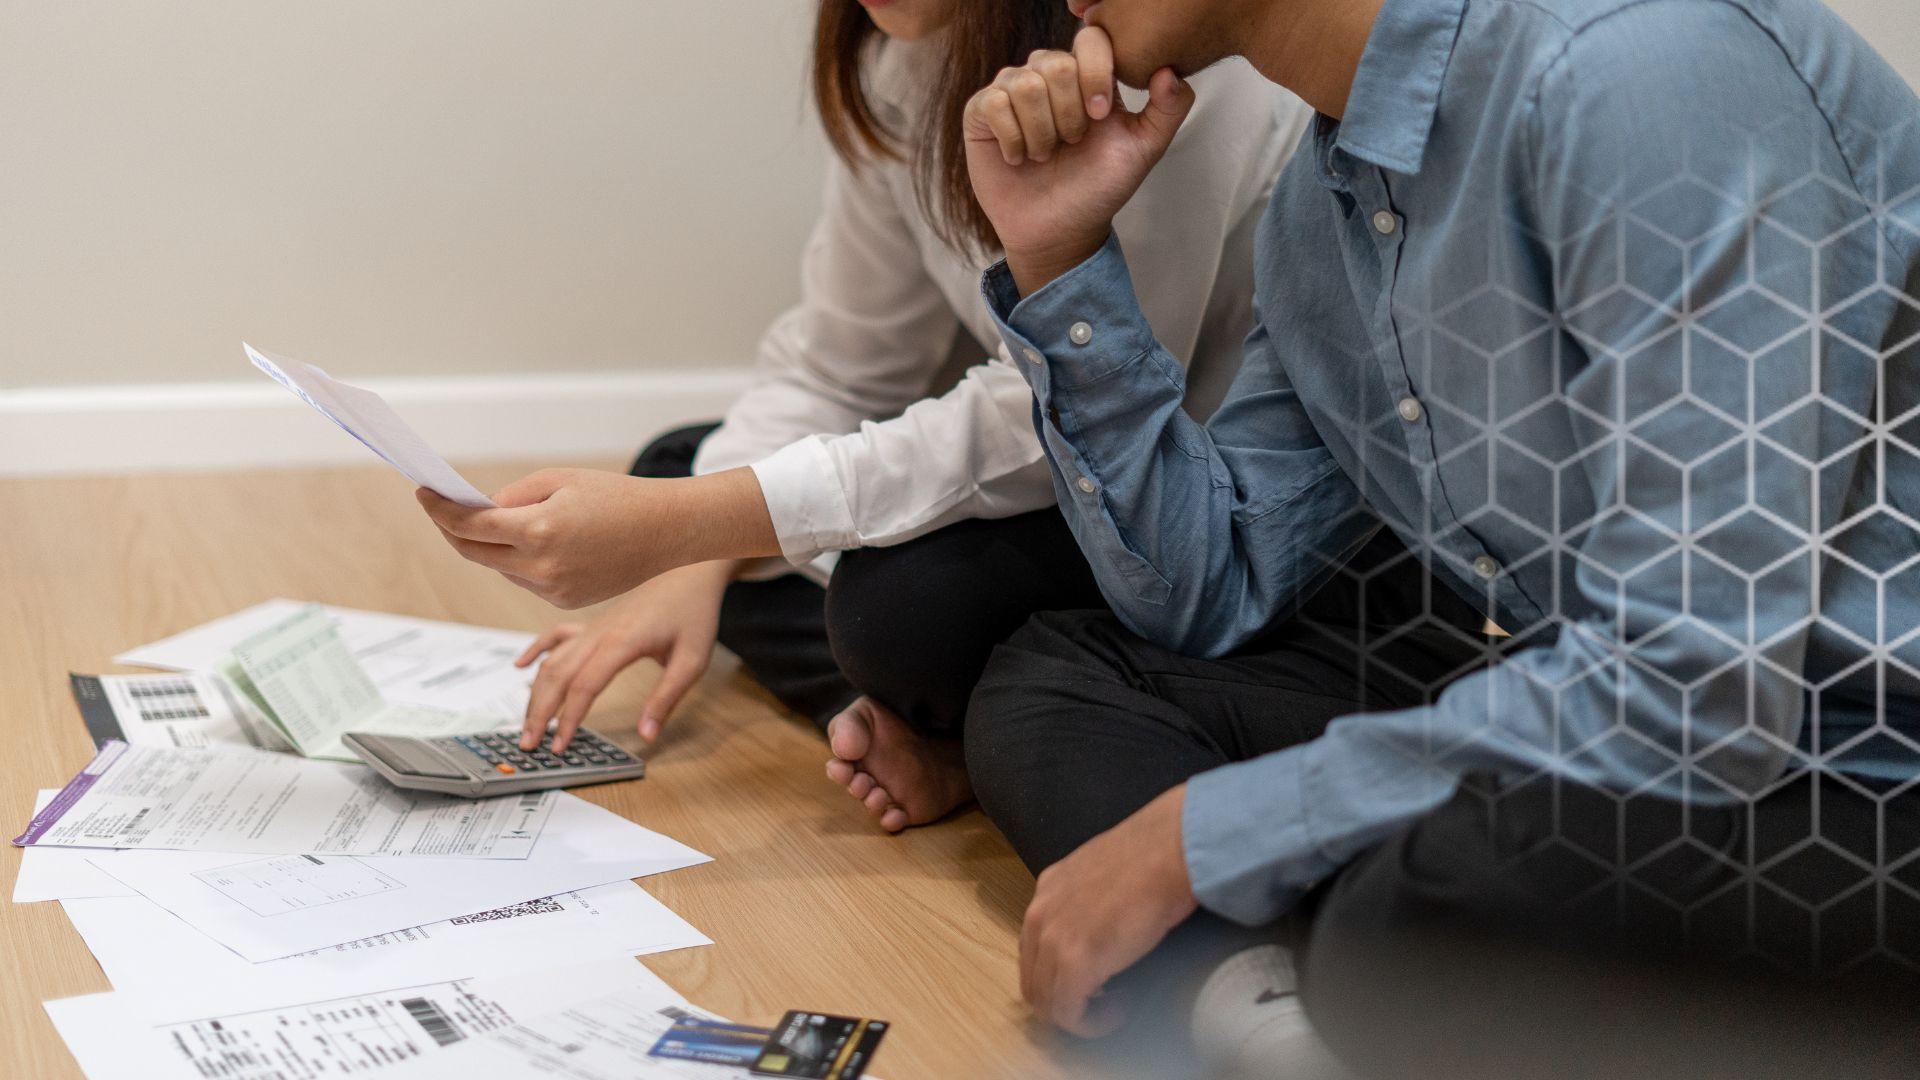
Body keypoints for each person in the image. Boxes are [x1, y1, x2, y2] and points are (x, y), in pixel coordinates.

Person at [948, 0, 1920, 1075]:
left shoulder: (1637, 70)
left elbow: (1700, 689)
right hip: (1654, 726)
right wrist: (1061, 254)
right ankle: (1283, 1011)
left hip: (1863, 771)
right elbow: (1210, 587)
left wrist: (1203, 838)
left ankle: (1310, 976)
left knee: (1418, 917)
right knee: (1056, 679)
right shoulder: (1324, 208)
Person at [415, 0, 1310, 832]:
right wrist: (695, 550)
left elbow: (1061, 423)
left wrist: (692, 527)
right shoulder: (901, 59)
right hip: (1061, 480)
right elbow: (837, 363)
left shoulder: (1156, 58)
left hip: (1176, 510)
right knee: (679, 465)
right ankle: (930, 722)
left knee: (898, 611)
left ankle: (950, 725)